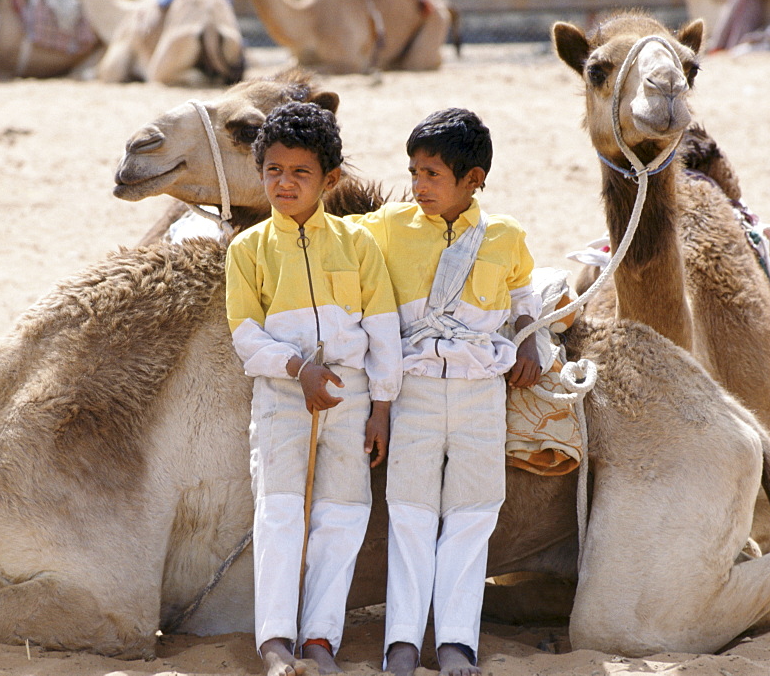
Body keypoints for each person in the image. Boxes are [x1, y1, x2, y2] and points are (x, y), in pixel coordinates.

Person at [352, 108, 542, 676]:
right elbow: (332, 240)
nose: (418, 186)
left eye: (432, 174)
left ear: (473, 179)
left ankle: (458, 641)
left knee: (472, 514)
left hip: (481, 393)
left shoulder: (505, 235)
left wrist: (530, 340)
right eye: (413, 172)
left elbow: (525, 290)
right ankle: (402, 643)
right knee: (408, 512)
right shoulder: (386, 226)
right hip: (412, 389)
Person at [225, 102, 402, 676]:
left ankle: (321, 640)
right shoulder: (246, 252)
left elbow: (382, 331)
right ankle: (275, 643)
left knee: (343, 516)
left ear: (330, 180)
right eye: (273, 170)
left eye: (300, 173)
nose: (285, 183)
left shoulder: (358, 245)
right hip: (282, 394)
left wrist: (380, 407)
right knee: (279, 514)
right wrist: (296, 369)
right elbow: (245, 332)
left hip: (349, 397)